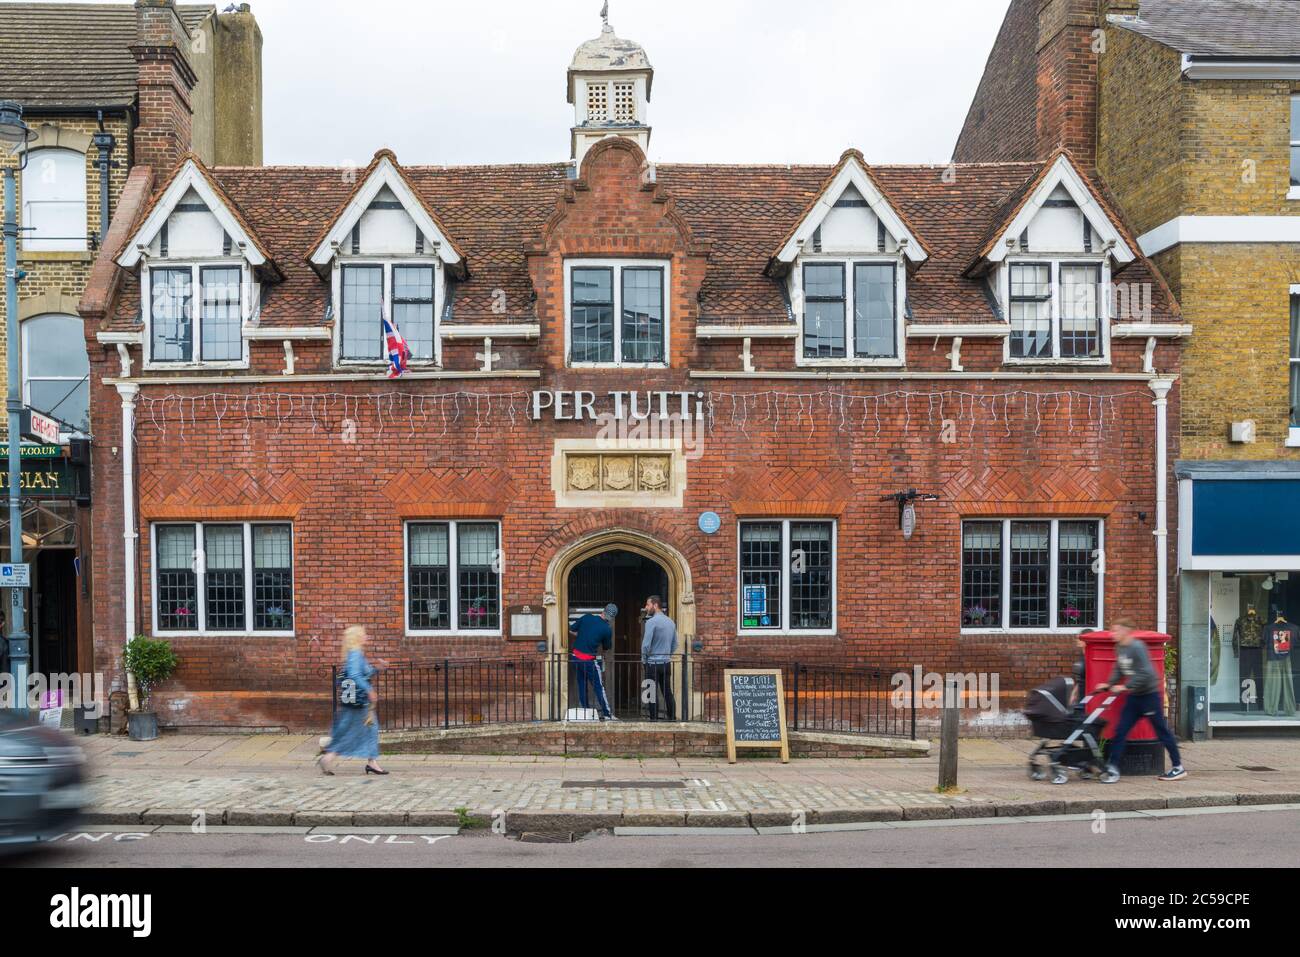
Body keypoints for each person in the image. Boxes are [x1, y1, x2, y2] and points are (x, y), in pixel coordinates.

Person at [1094, 617, 1185, 783]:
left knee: (1162, 733)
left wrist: (1125, 687)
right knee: (1121, 731)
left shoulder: (1137, 647)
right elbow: (1119, 669)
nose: (1112, 634)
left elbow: (1147, 673)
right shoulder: (1119, 648)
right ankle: (1113, 768)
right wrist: (1108, 684)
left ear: (1125, 631)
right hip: (1134, 698)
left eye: (1115, 630)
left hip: (1149, 696)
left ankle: (1178, 767)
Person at [319, 625, 388, 775]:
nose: (366, 637)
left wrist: (378, 668)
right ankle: (329, 758)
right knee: (359, 731)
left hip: (355, 702)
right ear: (357, 637)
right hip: (359, 703)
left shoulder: (355, 654)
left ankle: (371, 762)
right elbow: (355, 675)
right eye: (364, 634)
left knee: (362, 730)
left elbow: (363, 674)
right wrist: (369, 690)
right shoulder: (355, 654)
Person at [569, 604, 616, 721]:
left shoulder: (586, 617)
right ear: (611, 617)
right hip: (588, 660)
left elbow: (571, 629)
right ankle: (607, 714)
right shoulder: (607, 629)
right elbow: (606, 647)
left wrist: (582, 636)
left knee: (581, 683)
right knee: (598, 686)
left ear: (603, 611)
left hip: (575, 656)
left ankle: (586, 712)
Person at [640, 595, 677, 721]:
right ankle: (672, 718)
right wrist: (667, 655)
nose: (646, 608)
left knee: (651, 693)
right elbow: (675, 644)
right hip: (666, 664)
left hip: (652, 663)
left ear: (655, 605)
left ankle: (653, 720)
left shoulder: (651, 622)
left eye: (648, 605)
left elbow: (645, 645)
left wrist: (644, 660)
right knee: (667, 692)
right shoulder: (671, 622)